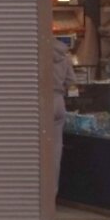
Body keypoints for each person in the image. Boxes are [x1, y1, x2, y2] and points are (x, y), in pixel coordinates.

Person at [49, 34, 74, 197]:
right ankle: (53, 192)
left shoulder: (40, 53)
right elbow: (71, 80)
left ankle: (42, 194)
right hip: (59, 101)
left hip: (44, 101)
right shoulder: (65, 55)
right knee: (56, 149)